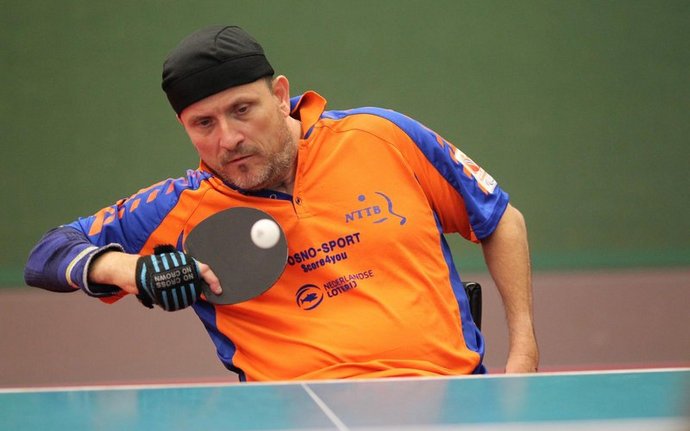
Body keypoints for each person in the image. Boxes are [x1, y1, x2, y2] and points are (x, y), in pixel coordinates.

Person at [24, 25, 538, 381]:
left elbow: (499, 219)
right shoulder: (181, 206)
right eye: (203, 123)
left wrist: (523, 352)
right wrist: (131, 270)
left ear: (279, 94)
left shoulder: (381, 137)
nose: (228, 138)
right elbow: (47, 254)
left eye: (242, 109)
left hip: (447, 400)